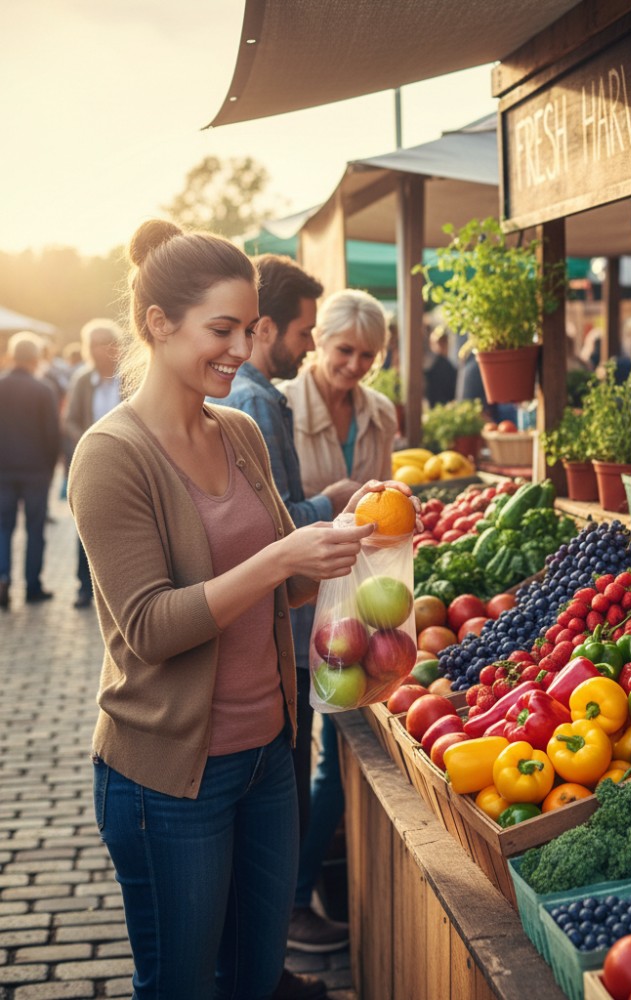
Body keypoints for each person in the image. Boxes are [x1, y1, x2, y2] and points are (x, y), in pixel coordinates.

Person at [68, 220, 397, 1000]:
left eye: (248, 330)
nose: (242, 351)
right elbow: (148, 628)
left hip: (264, 759)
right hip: (169, 779)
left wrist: (354, 547)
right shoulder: (111, 454)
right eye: (222, 330)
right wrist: (284, 555)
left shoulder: (242, 430)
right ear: (158, 323)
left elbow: (285, 587)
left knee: (254, 978)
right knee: (183, 986)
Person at [207, 255, 355, 983]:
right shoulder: (257, 405)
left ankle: (273, 951)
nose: (302, 345)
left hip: (273, 654)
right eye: (302, 331)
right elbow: (274, 533)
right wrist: (333, 505)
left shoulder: (245, 410)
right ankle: (283, 931)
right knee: (291, 782)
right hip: (270, 655)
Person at [277, 287, 397, 954]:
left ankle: (307, 895)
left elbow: (386, 515)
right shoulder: (280, 410)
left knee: (336, 762)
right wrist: (335, 509)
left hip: (361, 607)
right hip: (301, 608)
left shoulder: (380, 414)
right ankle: (293, 902)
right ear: (318, 342)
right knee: (304, 761)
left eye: (367, 355)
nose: (354, 365)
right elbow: (279, 515)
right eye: (344, 350)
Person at [63, 319, 123, 608]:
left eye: (107, 342)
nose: (102, 349)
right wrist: (89, 440)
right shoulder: (83, 381)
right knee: (87, 526)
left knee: (126, 525)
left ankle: (122, 587)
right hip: (92, 465)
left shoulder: (131, 376)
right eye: (96, 344)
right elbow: (71, 420)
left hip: (127, 463)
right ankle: (84, 587)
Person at [0, 331, 61, 608]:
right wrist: (50, 468)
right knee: (35, 530)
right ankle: (32, 587)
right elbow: (52, 434)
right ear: (36, 359)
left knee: (3, 529)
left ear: (12, 356)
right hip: (36, 469)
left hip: (2, 470)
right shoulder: (43, 389)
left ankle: (2, 577)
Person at [424, 326, 457, 406]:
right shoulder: (434, 364)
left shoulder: (447, 365)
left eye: (444, 342)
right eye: (439, 342)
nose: (441, 345)